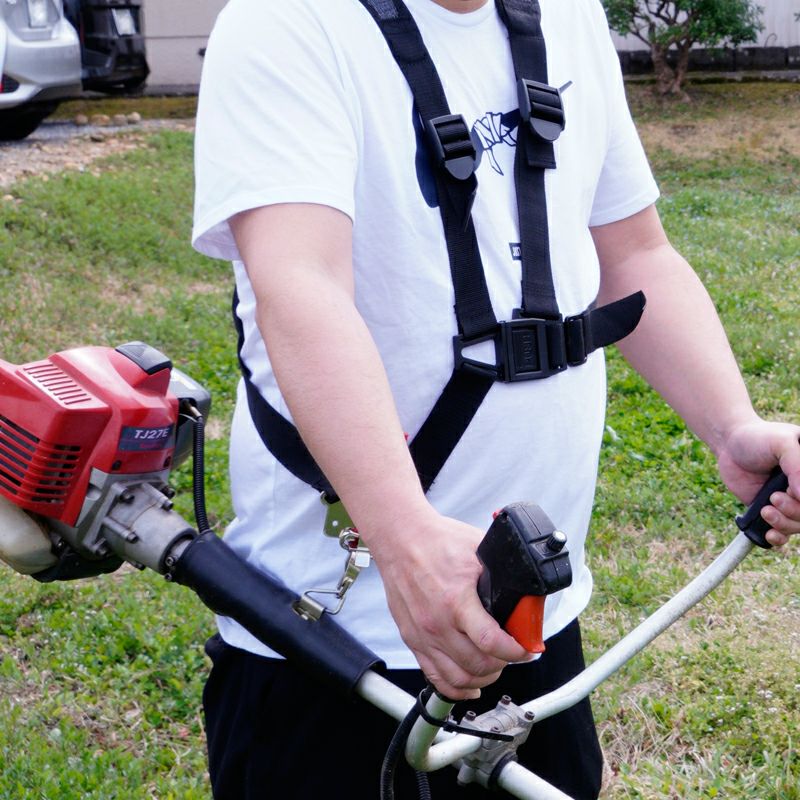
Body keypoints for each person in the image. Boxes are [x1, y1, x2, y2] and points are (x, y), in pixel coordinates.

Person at [191, 0, 800, 797]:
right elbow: (300, 287)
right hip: (334, 645)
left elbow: (634, 251)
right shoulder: (287, 22)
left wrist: (731, 427)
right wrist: (405, 541)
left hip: (533, 624)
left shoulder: (566, 14)